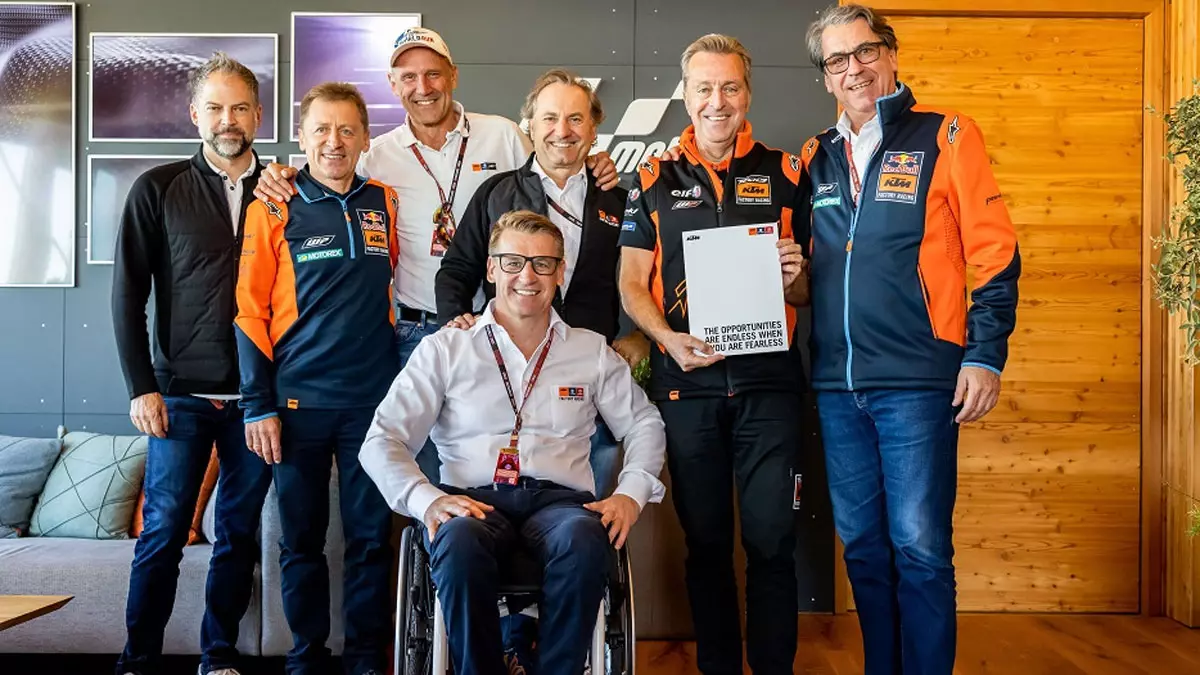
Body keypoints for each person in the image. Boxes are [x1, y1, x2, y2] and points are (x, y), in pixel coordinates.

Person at [254, 27, 618, 482]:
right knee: (423, 468)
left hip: (496, 329)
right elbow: (328, 175)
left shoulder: (503, 136)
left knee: (496, 458)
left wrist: (596, 166)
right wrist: (279, 176)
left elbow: (552, 163)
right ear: (393, 84)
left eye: (433, 74)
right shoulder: (375, 154)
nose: (422, 87)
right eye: (408, 76)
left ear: (453, 76)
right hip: (413, 332)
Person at [803, 5, 1020, 674]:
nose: (854, 69)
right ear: (825, 77)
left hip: (918, 383)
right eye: (837, 60)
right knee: (864, 549)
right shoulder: (816, 155)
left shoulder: (947, 134)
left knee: (920, 549)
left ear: (891, 54)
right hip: (837, 385)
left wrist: (984, 354)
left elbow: (995, 252)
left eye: (865, 51)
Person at [360, 210, 666, 675]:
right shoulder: (446, 348)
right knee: (456, 539)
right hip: (474, 502)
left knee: (586, 537)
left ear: (560, 273)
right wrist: (426, 501)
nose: (527, 276)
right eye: (513, 262)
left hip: (561, 506)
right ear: (490, 268)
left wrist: (631, 493)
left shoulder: (590, 350)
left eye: (543, 263)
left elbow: (644, 422)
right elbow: (382, 438)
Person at [617, 34, 811, 675]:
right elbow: (630, 282)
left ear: (747, 93)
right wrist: (666, 339)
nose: (717, 101)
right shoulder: (653, 177)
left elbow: (808, 290)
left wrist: (795, 277)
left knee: (772, 542)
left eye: (729, 86)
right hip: (687, 386)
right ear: (686, 95)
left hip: (769, 384)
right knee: (705, 544)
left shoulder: (787, 172)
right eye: (704, 88)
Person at [111, 53, 273, 675]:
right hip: (178, 395)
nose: (227, 120)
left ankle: (218, 654)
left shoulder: (285, 190)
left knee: (237, 535)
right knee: (163, 533)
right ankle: (139, 658)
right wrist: (141, 386)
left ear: (258, 115)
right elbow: (127, 295)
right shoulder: (157, 188)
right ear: (194, 115)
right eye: (215, 108)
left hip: (257, 401)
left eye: (239, 108)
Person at [234, 82, 399, 675]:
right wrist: (258, 404)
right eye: (322, 129)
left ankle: (365, 659)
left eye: (347, 129)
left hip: (372, 406)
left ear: (364, 138)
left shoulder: (384, 201)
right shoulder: (273, 206)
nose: (335, 141)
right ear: (302, 138)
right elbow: (248, 312)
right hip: (296, 405)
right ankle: (306, 658)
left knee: (371, 541)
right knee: (301, 542)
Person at [435, 67, 638, 495]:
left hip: (591, 374)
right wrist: (455, 317)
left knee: (589, 504)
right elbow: (457, 268)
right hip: (507, 369)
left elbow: (647, 278)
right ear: (529, 125)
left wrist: (639, 337)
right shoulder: (496, 193)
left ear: (594, 129)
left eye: (576, 119)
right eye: (550, 118)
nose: (562, 131)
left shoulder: (620, 201)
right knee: (502, 501)